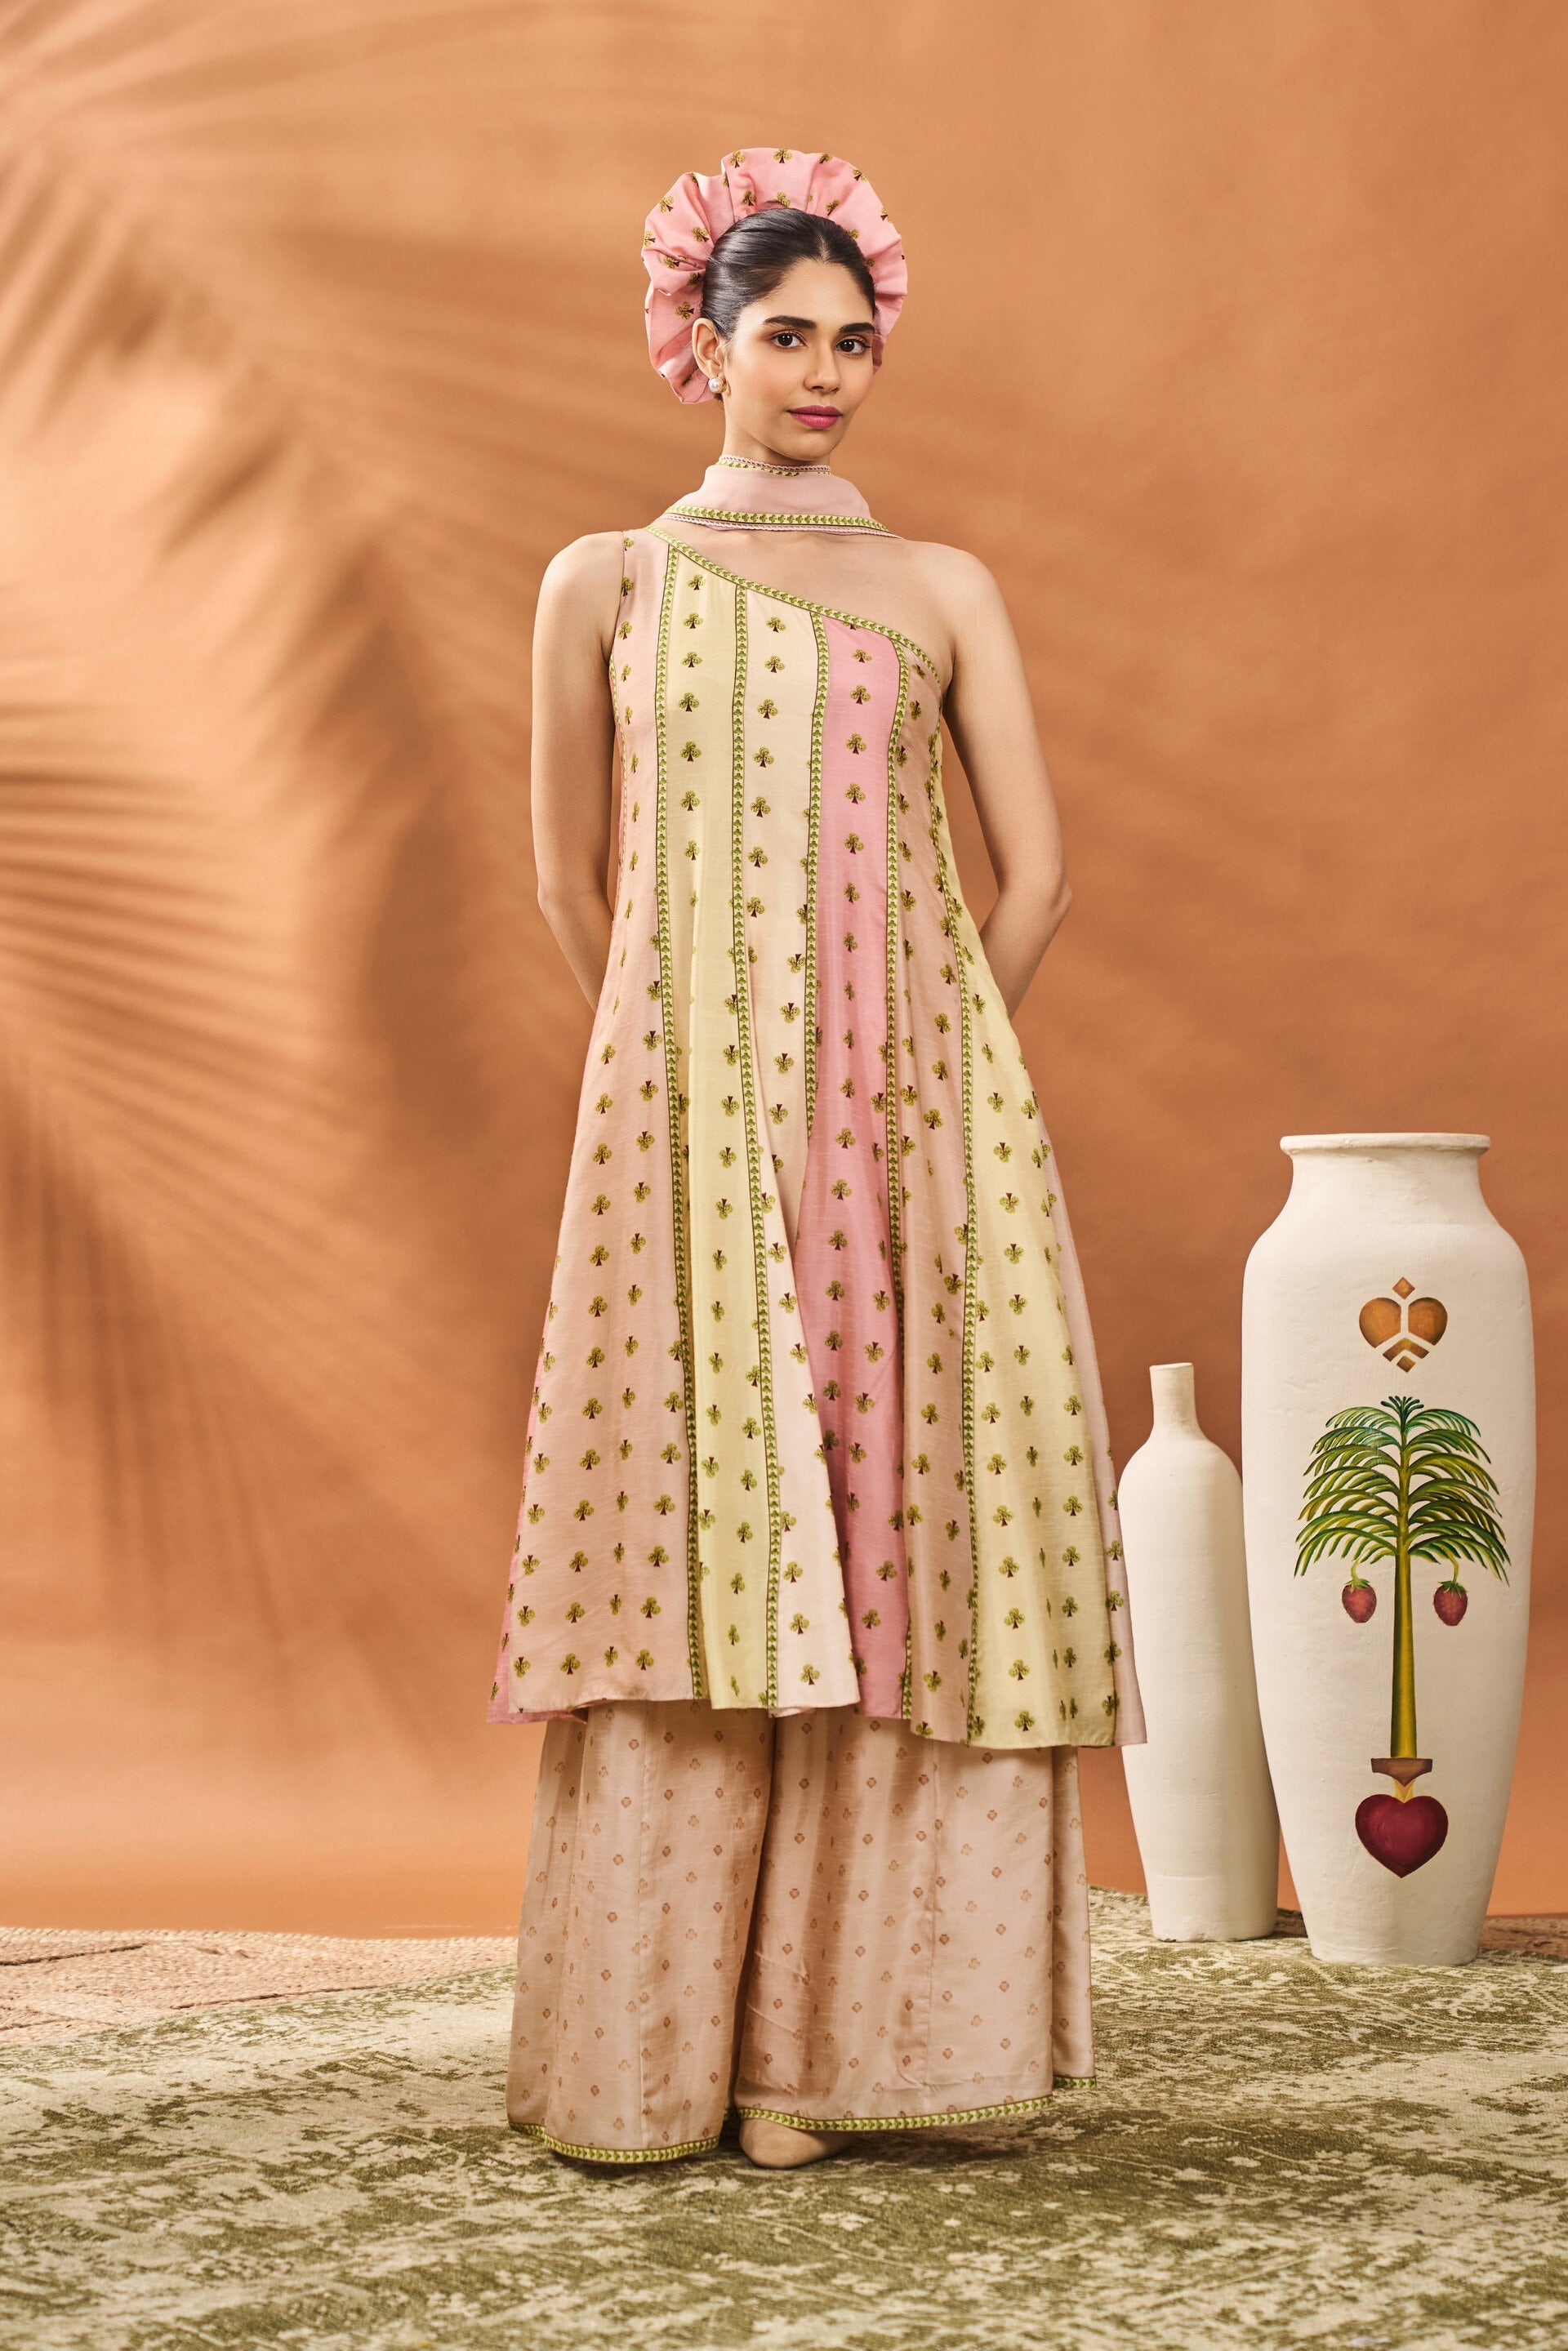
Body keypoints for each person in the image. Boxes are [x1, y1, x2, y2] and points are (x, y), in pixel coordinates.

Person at [489, 145, 1144, 2170]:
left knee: (890, 1545)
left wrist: (931, 1078)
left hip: (915, 1143)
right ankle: (654, 2060)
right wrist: (682, 1070)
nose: (829, 374)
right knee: (696, 1549)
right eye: (788, 336)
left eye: (856, 343)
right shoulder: (606, 580)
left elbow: (1036, 878)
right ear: (702, 343)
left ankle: (830, 2061)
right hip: (683, 1140)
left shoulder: (944, 590)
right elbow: (570, 877)